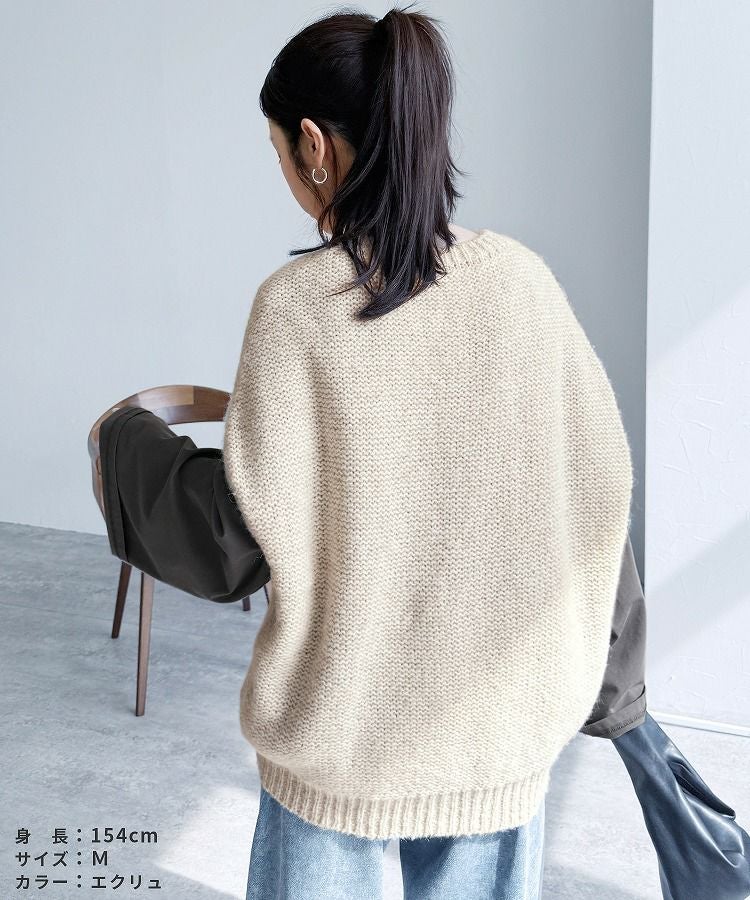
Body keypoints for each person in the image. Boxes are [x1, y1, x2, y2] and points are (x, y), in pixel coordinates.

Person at [92, 5, 644, 898]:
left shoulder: (298, 308)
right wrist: (614, 683)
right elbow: (598, 493)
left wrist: (123, 440)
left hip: (341, 747)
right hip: (502, 735)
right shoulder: (523, 285)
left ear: (314, 144)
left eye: (278, 150)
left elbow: (237, 536)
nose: (283, 170)